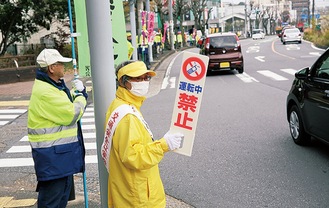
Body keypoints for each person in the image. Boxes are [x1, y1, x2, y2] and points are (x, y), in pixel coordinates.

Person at [101, 60, 184, 208]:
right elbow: (133, 156)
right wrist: (163, 145)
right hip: (138, 196)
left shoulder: (120, 105)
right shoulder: (127, 117)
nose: (144, 82)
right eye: (137, 78)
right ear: (124, 82)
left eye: (146, 78)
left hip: (129, 188)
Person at [27, 48, 88, 207]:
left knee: (60, 200)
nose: (64, 67)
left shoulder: (53, 86)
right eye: (60, 63)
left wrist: (74, 92)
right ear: (51, 68)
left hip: (58, 156)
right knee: (52, 202)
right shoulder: (47, 92)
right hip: (53, 158)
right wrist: (81, 95)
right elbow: (71, 114)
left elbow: (65, 105)